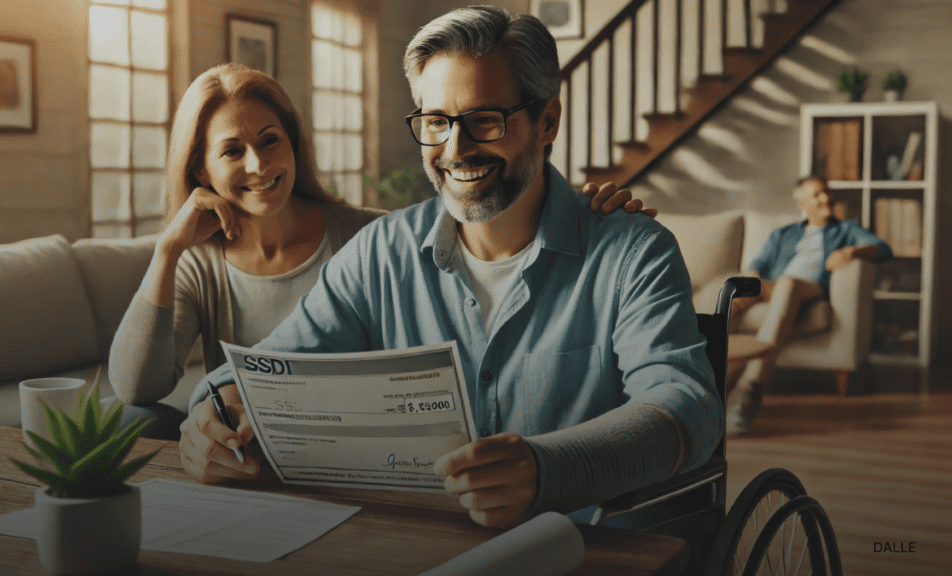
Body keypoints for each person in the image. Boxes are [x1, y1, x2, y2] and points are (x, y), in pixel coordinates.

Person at [180, 6, 719, 530]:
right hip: (413, 545)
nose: (455, 148)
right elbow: (264, 371)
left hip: (578, 547)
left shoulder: (631, 253)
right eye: (436, 121)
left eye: (485, 120)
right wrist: (212, 418)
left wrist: (547, 469)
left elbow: (683, 403)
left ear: (546, 120)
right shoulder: (379, 254)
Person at [107, 63, 648, 440]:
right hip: (261, 436)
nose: (257, 163)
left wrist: (574, 213)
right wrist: (167, 253)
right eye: (232, 150)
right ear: (201, 169)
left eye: (270, 139)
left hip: (363, 446)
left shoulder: (374, 243)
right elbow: (139, 387)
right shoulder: (200, 262)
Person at [726, 175, 893, 435]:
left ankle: (749, 390)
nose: (826, 198)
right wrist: (753, 284)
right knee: (730, 293)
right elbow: (757, 266)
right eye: (816, 195)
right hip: (773, 286)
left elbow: (883, 249)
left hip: (807, 288)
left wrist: (851, 251)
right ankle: (711, 382)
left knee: (788, 284)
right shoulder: (783, 233)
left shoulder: (846, 230)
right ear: (802, 203)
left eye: (826, 192)